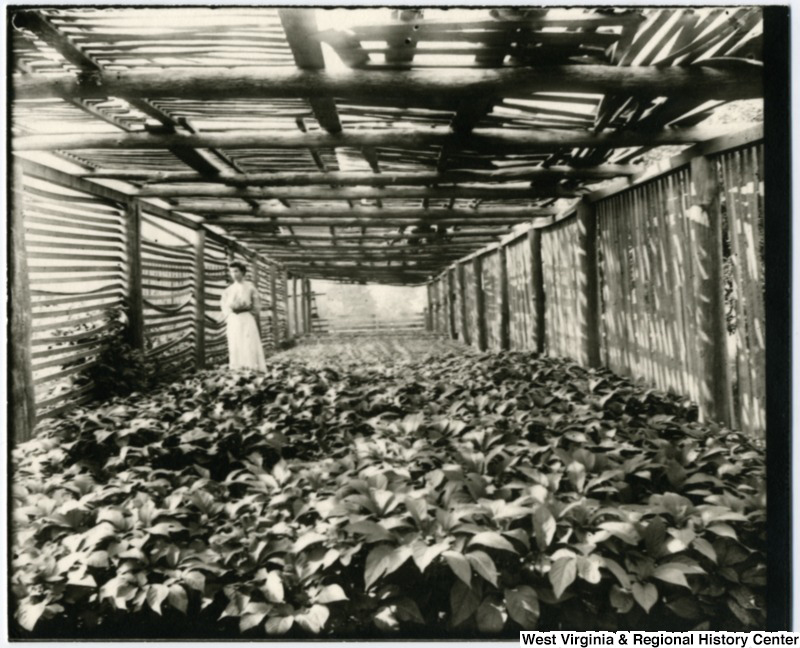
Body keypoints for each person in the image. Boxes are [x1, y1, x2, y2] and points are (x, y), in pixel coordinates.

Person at [220, 261, 267, 372]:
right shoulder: (228, 290)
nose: (234, 274)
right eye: (231, 272)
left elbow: (256, 305)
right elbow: (223, 305)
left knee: (248, 342)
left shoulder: (250, 287)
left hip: (246, 318)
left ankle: (251, 368)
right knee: (235, 342)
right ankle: (238, 368)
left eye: (236, 271)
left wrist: (248, 311)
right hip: (233, 319)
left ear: (243, 272)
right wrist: (230, 312)